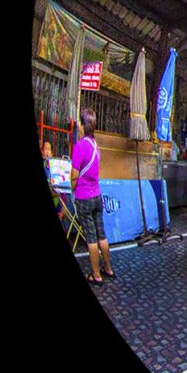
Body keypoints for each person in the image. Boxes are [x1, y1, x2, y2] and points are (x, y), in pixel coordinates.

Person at [70, 108, 115, 285]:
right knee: (101, 235)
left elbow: (74, 175)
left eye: (79, 123)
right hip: (97, 196)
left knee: (90, 238)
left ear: (82, 125)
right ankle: (109, 269)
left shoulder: (80, 146)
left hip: (84, 197)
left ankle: (96, 275)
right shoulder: (96, 146)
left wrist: (72, 188)